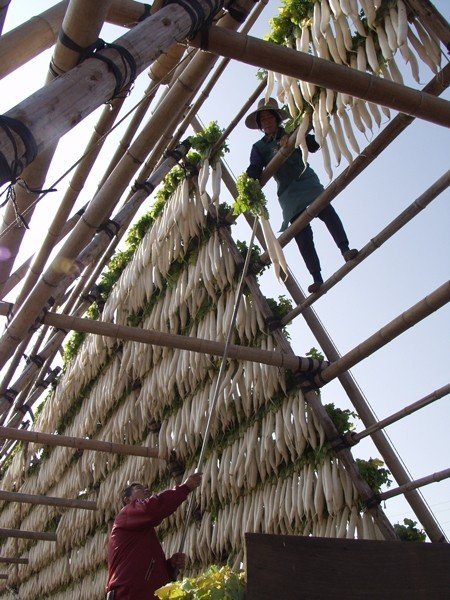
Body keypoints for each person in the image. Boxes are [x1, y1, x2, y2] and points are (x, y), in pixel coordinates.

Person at [245, 97, 358, 293]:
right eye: (262, 121)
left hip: (306, 180)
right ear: (260, 126)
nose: (267, 122)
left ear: (276, 119)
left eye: (269, 118)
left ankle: (345, 249)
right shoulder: (259, 147)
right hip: (287, 192)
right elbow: (255, 167)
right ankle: (316, 277)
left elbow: (313, 146)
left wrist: (300, 135)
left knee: (326, 212)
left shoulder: (292, 130)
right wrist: (249, 181)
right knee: (302, 234)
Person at [106, 473, 202, 600]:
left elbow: (147, 570)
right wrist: (185, 488)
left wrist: (169, 566)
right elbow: (152, 509)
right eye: (139, 488)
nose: (147, 490)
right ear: (127, 500)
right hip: (130, 594)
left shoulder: (142, 532)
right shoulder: (126, 513)